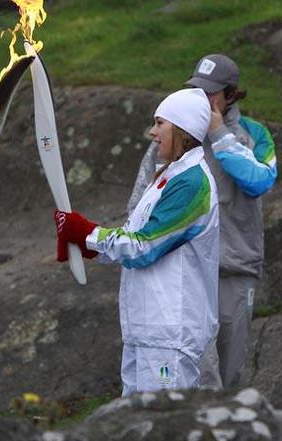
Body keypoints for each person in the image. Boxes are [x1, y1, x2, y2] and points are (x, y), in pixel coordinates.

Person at [54, 88, 219, 392]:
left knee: (164, 424)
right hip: (147, 328)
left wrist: (87, 233)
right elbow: (135, 240)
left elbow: (144, 247)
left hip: (170, 332)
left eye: (160, 123)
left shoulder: (192, 184)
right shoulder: (168, 176)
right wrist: (89, 248)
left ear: (182, 130)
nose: (152, 132)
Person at [129, 54, 278, 389]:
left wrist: (219, 133)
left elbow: (260, 180)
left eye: (212, 91)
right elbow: (142, 199)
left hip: (235, 267)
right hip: (185, 272)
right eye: (197, 88)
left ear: (229, 94)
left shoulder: (254, 134)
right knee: (197, 366)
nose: (204, 97)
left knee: (230, 362)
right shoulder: (174, 134)